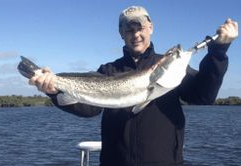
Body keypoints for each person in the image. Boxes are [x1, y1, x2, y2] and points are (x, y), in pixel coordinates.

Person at [29, 6, 238, 166]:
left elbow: (203, 95)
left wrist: (218, 53)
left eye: (140, 28)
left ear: (151, 28)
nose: (135, 34)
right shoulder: (108, 70)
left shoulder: (174, 71)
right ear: (121, 33)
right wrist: (55, 91)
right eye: (129, 29)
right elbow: (89, 108)